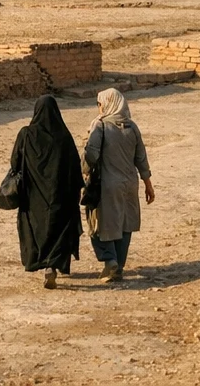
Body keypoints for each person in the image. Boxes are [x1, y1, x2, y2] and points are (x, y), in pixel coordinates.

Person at [6, 96, 84, 290]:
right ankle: (52, 264)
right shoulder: (64, 137)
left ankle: (40, 261)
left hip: (33, 197)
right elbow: (75, 166)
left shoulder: (26, 134)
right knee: (59, 229)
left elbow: (15, 162)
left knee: (36, 228)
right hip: (60, 195)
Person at [84, 88, 153, 282]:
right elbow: (141, 158)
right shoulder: (132, 127)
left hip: (107, 184)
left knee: (98, 222)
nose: (98, 108)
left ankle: (110, 260)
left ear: (106, 104)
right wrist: (148, 184)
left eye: (99, 104)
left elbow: (92, 155)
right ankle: (119, 266)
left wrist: (85, 164)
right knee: (125, 223)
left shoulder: (100, 126)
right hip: (130, 184)